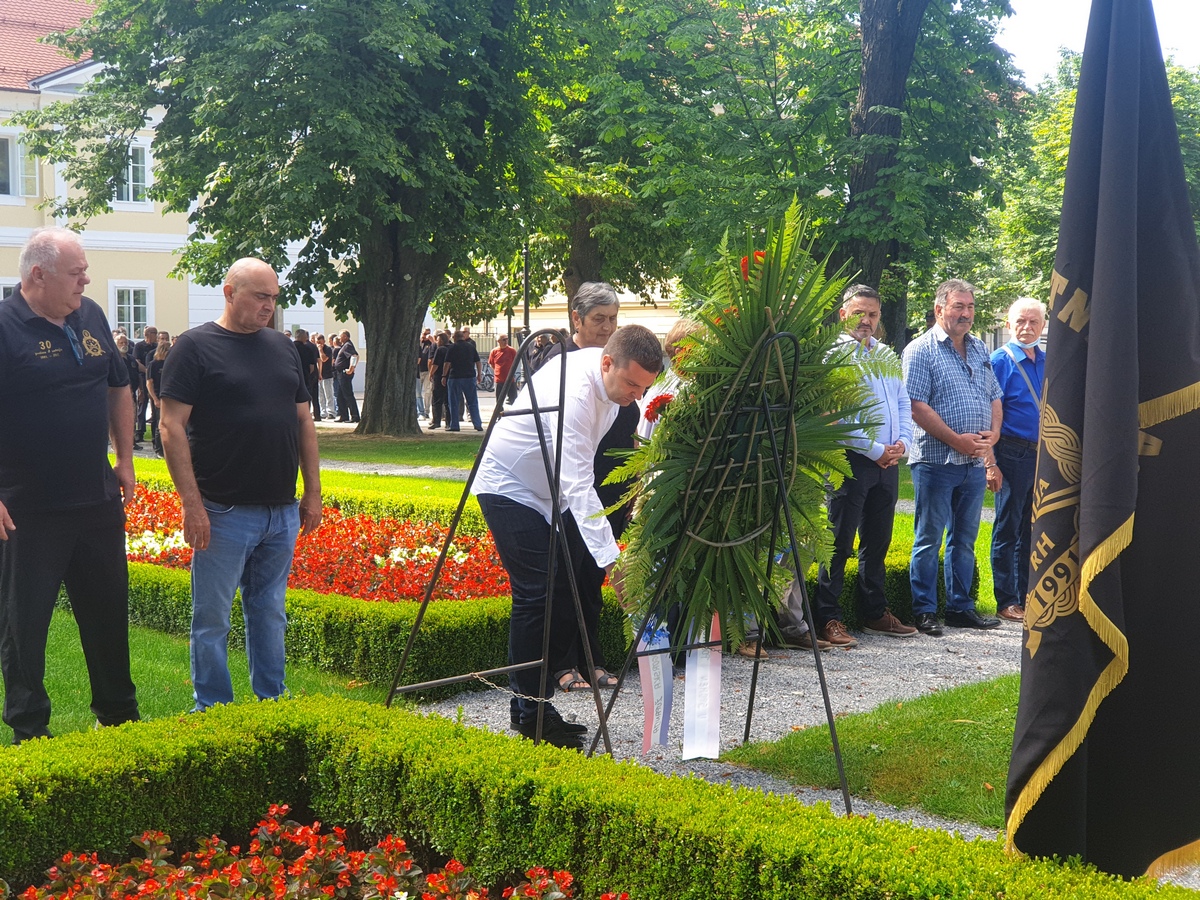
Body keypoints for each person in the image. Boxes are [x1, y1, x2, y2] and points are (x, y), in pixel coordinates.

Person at [473, 325, 662, 748]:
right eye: (632, 384)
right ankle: (530, 710)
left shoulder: (614, 389)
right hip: (508, 483)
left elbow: (575, 475)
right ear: (607, 361)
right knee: (536, 591)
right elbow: (579, 481)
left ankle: (530, 708)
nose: (636, 394)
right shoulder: (576, 392)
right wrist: (612, 562)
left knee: (558, 588)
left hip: (549, 490)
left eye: (644, 388)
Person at [158, 258, 322, 711]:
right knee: (211, 620)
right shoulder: (194, 347)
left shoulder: (282, 347)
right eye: (259, 296)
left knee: (270, 612)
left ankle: (272, 698)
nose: (269, 306)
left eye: (274, 297)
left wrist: (312, 493)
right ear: (230, 293)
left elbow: (303, 421)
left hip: (281, 510)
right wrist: (192, 506)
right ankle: (211, 706)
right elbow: (171, 427)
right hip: (223, 510)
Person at [0, 227, 140, 743]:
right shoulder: (5, 326)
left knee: (107, 612)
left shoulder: (91, 315)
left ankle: (119, 714)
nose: (87, 279)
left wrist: (124, 460)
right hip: (26, 509)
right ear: (38, 274)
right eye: (76, 272)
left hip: (96, 500)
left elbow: (118, 385)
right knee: (24, 624)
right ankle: (29, 728)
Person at [811, 285, 916, 649]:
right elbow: (833, 416)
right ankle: (828, 617)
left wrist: (902, 443)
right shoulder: (832, 357)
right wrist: (874, 449)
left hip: (888, 462)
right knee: (838, 542)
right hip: (851, 460)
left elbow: (903, 404)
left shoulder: (887, 355)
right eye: (859, 313)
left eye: (872, 314)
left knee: (877, 540)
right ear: (843, 314)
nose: (866, 321)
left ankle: (875, 613)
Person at [902, 279, 1003, 635]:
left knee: (964, 540)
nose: (965, 314)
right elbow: (915, 406)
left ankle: (961, 607)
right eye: (958, 306)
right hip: (935, 461)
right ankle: (925, 610)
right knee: (928, 538)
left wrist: (994, 436)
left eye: (970, 307)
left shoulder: (979, 348)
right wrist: (956, 440)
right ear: (939, 309)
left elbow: (994, 396)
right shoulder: (920, 350)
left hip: (973, 463)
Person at [987, 298, 1046, 624]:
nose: (1027, 328)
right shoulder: (1000, 360)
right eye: (1020, 322)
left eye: (1033, 322)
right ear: (1009, 325)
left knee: (1032, 529)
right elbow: (988, 411)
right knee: (1008, 527)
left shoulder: (1047, 361)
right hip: (1011, 452)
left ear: (1042, 325)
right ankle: (1006, 599)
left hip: (1041, 453)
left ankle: (1027, 595)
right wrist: (989, 461)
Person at [443, 329, 482, 432]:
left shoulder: (452, 348)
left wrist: (444, 376)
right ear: (463, 337)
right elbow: (478, 361)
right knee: (472, 402)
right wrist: (479, 374)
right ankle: (477, 424)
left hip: (455, 377)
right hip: (469, 377)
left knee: (454, 402)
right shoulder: (470, 347)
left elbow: (447, 363)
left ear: (454, 338)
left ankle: (455, 425)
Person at [146, 336, 172, 456]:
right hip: (158, 395)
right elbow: (149, 383)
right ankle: (158, 449)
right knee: (158, 423)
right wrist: (155, 398)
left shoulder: (170, 363)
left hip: (169, 397)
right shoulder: (154, 364)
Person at [134, 325, 158, 447]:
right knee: (142, 404)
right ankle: (140, 431)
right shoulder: (139, 346)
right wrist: (148, 371)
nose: (156, 335)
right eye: (154, 333)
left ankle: (155, 432)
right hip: (142, 378)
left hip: (155, 379)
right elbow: (137, 362)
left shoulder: (157, 347)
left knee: (154, 405)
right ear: (148, 334)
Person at [293, 329, 322, 422]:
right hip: (306, 376)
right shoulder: (309, 348)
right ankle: (308, 415)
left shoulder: (290, 347)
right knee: (309, 396)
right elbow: (312, 366)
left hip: (292, 376)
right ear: (304, 337)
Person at [333, 330, 360, 423]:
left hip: (344, 374)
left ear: (345, 336)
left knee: (348, 395)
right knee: (340, 396)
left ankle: (355, 416)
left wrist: (351, 368)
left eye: (340, 336)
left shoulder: (348, 345)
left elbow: (355, 356)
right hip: (340, 373)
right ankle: (344, 416)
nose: (339, 338)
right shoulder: (344, 346)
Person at [427, 332, 450, 429]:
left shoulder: (440, 349)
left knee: (436, 400)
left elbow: (435, 364)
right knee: (448, 400)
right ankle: (449, 422)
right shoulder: (451, 348)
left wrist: (431, 373)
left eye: (438, 340)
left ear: (442, 340)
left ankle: (436, 421)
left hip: (439, 376)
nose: (437, 341)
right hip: (450, 376)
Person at [488, 334, 517, 408]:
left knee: (514, 399)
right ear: (498, 341)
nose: (506, 341)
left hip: (510, 379)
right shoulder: (494, 351)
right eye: (504, 339)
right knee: (499, 401)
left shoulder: (512, 350)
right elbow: (492, 364)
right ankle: (499, 416)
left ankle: (515, 415)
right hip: (498, 380)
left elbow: (516, 362)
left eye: (507, 339)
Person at [314, 333, 336, 419]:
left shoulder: (328, 349)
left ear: (324, 341)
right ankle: (323, 412)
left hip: (327, 375)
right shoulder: (315, 349)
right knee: (321, 396)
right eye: (317, 342)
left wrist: (320, 350)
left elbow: (323, 359)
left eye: (320, 342)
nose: (319, 344)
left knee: (328, 395)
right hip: (319, 375)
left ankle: (331, 412)